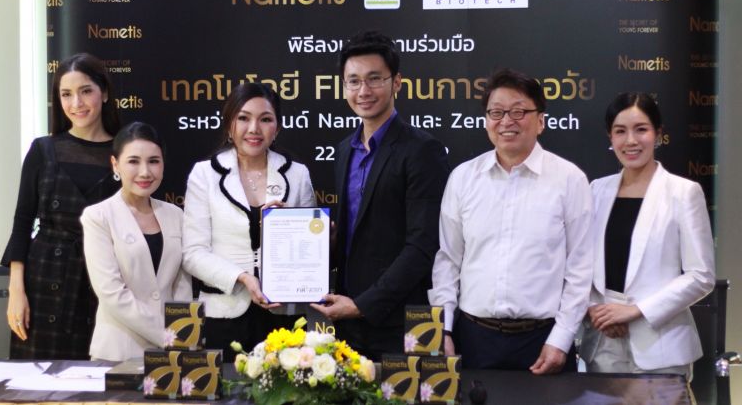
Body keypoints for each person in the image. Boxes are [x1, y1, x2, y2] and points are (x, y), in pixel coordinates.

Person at [429, 68, 592, 374]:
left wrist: (561, 339)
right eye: (496, 112)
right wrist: (444, 329)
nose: (506, 121)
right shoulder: (463, 178)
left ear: (540, 121)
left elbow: (580, 269)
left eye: (518, 112)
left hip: (543, 341)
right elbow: (448, 261)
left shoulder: (570, 179)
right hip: (473, 339)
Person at [310, 30, 450, 361]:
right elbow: (356, 236)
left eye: (374, 79)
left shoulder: (422, 150)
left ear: (396, 82)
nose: (363, 91)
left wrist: (363, 305)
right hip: (346, 321)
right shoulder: (345, 150)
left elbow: (422, 245)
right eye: (353, 81)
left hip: (399, 323)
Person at [580, 93, 715, 378]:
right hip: (603, 342)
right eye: (620, 131)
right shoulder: (596, 190)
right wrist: (597, 309)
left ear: (658, 134)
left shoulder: (683, 193)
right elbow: (581, 263)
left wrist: (636, 310)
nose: (630, 140)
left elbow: (701, 275)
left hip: (661, 346)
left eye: (641, 129)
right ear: (610, 137)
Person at [181, 82, 316, 361]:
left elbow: (311, 253)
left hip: (284, 315)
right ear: (229, 124)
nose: (254, 129)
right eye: (243, 118)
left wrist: (309, 233)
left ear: (277, 128)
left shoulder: (297, 174)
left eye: (265, 119)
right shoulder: (204, 175)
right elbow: (193, 254)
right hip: (224, 314)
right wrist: (243, 278)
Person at [0, 53, 121, 360]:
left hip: (101, 280)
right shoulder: (43, 150)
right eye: (66, 94)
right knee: (36, 378)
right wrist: (16, 292)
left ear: (105, 93)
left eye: (86, 91)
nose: (76, 103)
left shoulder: (125, 152)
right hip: (43, 282)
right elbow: (22, 222)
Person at [81, 122, 192, 361]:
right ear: (115, 164)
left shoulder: (175, 215)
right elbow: (111, 293)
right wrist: (167, 336)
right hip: (118, 351)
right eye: (133, 161)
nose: (145, 172)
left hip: (171, 355)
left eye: (153, 161)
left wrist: (184, 337)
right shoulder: (98, 216)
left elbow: (182, 285)